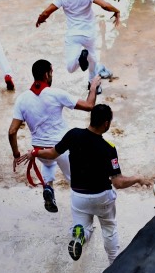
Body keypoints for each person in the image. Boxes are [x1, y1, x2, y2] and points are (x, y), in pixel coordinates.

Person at [21, 103, 148, 262]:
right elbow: (118, 182)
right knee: (109, 229)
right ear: (106, 124)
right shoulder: (108, 148)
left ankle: (79, 237)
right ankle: (113, 263)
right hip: (102, 197)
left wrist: (34, 152)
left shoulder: (73, 134)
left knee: (83, 227)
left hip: (79, 196)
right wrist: (137, 178)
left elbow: (52, 153)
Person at [8, 59, 100, 213]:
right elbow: (89, 106)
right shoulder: (56, 93)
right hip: (62, 148)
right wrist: (94, 87)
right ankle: (86, 213)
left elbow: (12, 131)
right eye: (51, 73)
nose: (52, 76)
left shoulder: (22, 99)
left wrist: (16, 154)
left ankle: (48, 187)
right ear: (46, 74)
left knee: (48, 163)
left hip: (40, 151)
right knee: (76, 182)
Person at [35, 0, 119, 93]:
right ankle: (93, 86)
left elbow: (47, 12)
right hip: (89, 34)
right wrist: (116, 10)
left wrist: (40, 20)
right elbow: (105, 5)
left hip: (73, 35)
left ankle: (81, 57)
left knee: (70, 68)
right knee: (93, 61)